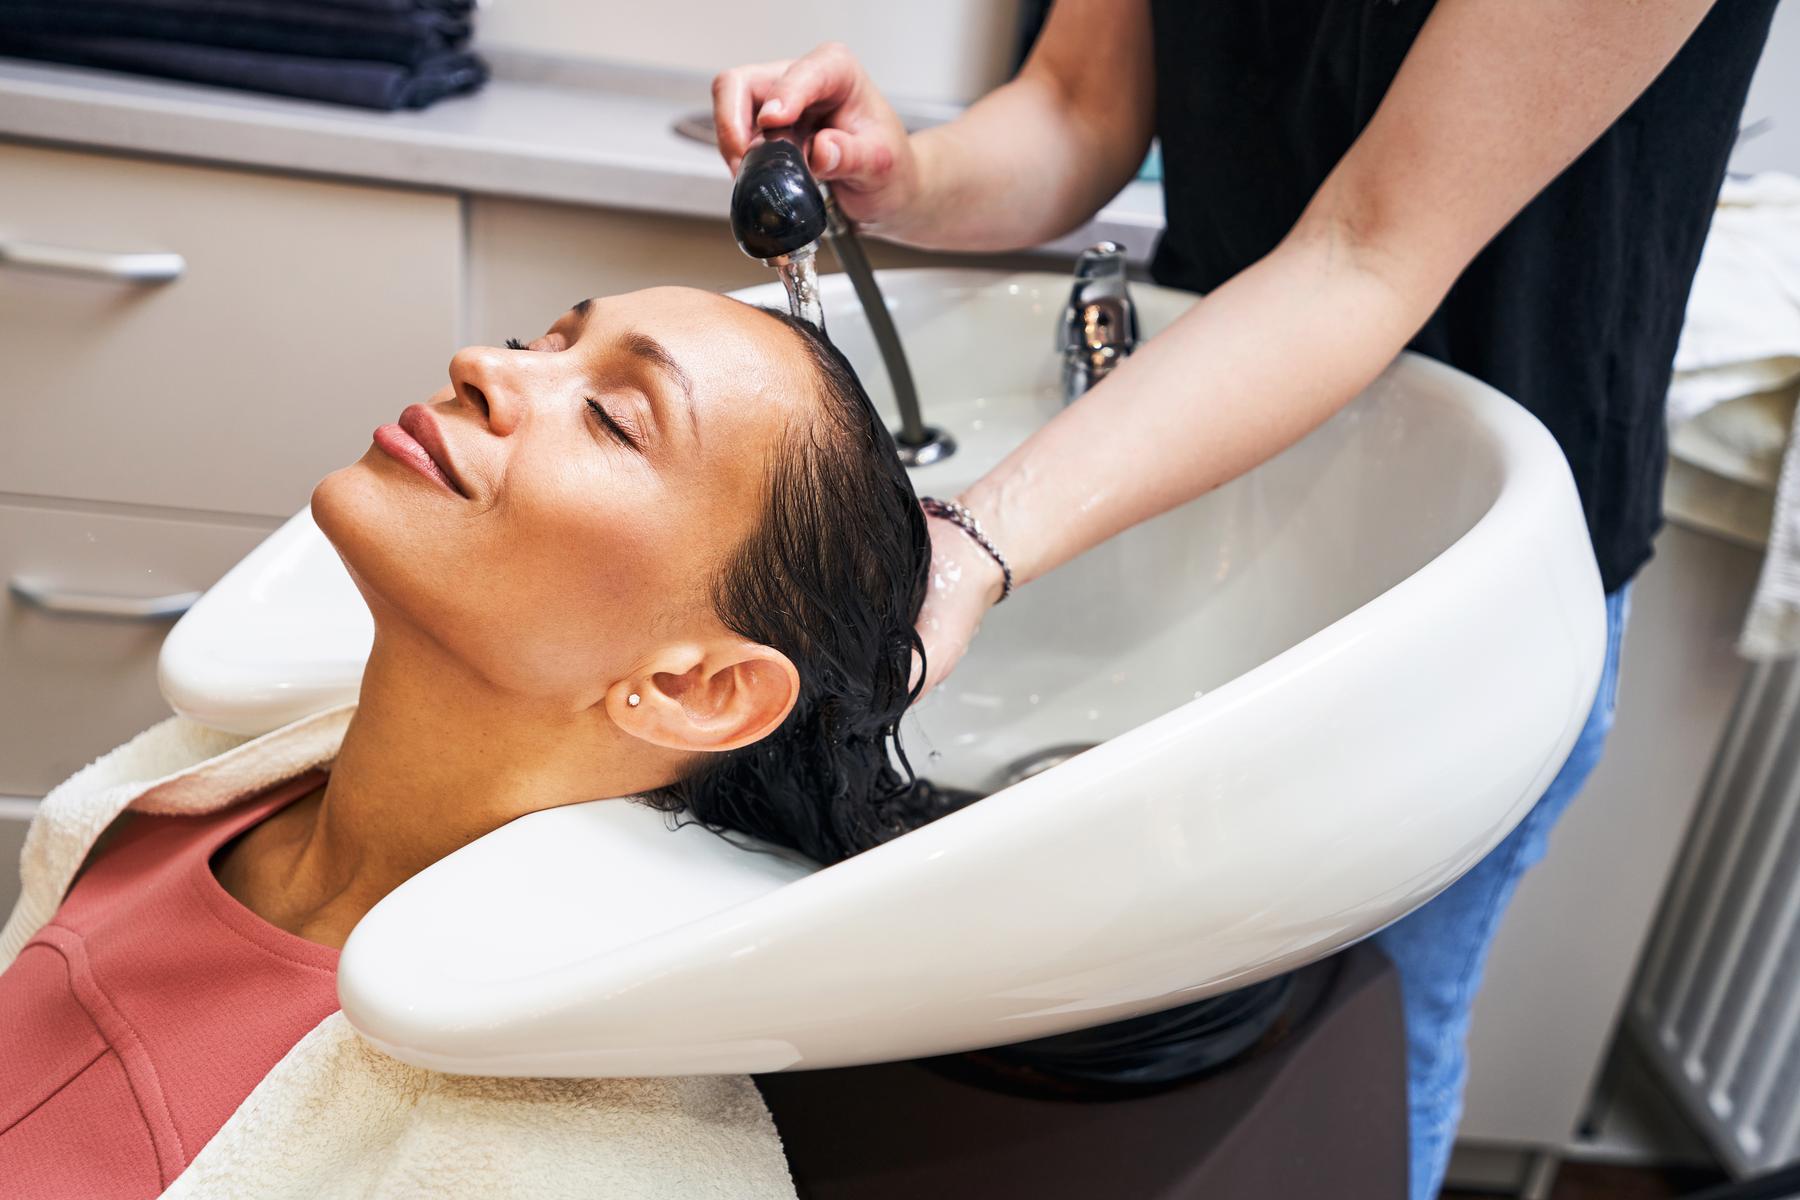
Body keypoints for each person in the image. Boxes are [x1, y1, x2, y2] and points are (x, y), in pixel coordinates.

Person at [709, 2, 1778, 1195]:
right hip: (1189, 500)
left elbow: (1364, 252)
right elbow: (1077, 106)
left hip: (1457, 589)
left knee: (1361, 1054)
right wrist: (909, 178)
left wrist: (967, 541)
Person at [0, 287, 935, 1196]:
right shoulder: (183, 793)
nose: (481, 366)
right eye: (538, 343)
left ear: (695, 688)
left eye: (612, 418)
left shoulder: (575, 1166)